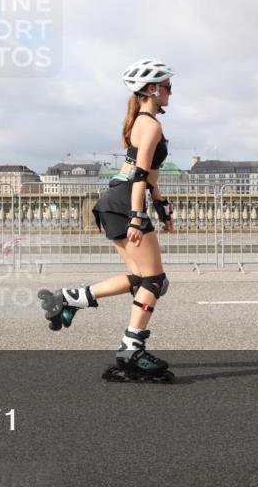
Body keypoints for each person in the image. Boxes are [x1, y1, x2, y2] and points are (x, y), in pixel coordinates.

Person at [38, 59, 176, 383]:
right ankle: (132, 349)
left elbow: (149, 176)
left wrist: (160, 205)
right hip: (125, 202)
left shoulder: (141, 122)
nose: (171, 92)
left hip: (114, 201)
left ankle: (69, 299)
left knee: (142, 279)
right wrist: (138, 216)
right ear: (152, 89)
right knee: (154, 281)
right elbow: (139, 175)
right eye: (168, 86)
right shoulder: (150, 126)